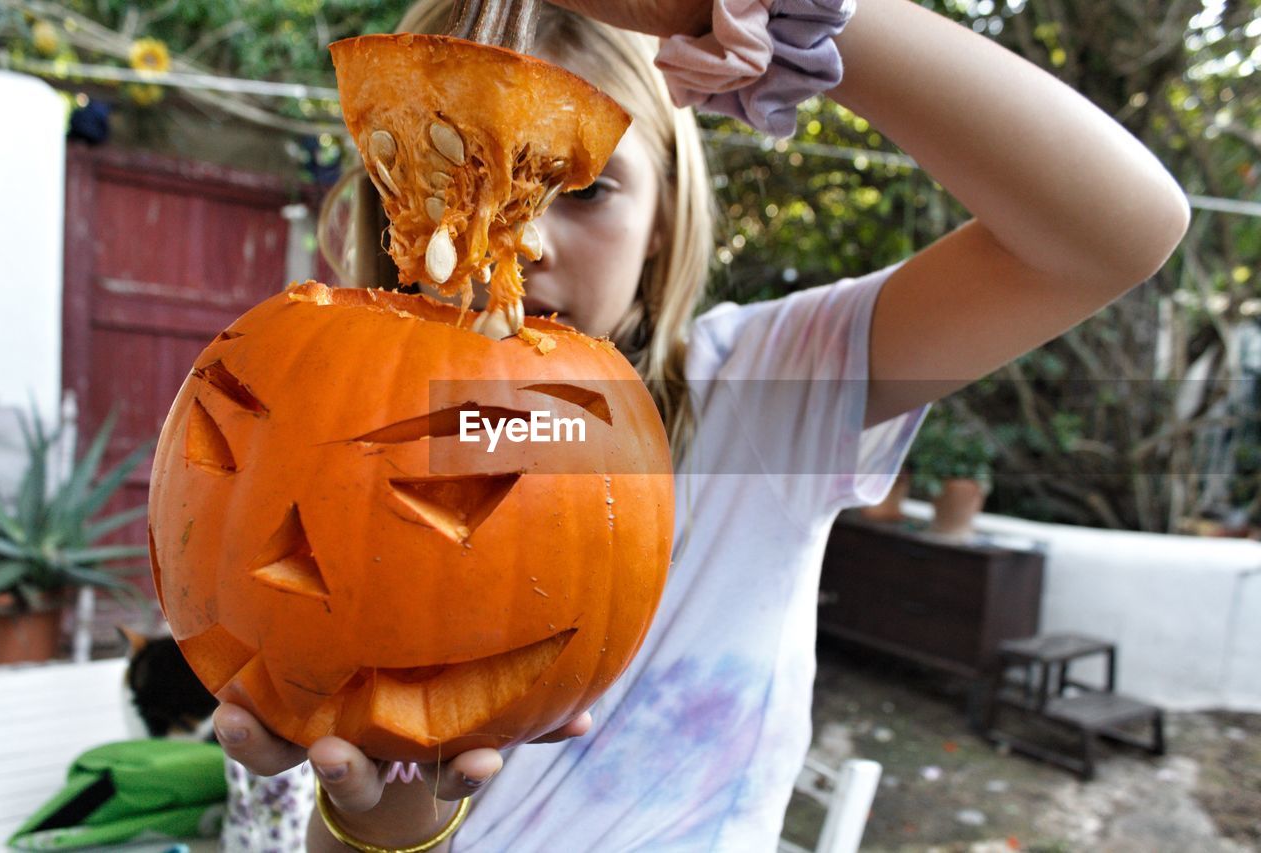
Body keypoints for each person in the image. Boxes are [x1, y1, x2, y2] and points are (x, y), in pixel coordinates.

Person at [212, 0, 1190, 850]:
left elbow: (1111, 233)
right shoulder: (306, 429)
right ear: (393, 206)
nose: (528, 237)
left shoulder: (766, 391)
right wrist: (387, 829)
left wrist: (766, 6)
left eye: (585, 186)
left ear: (666, 218)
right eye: (452, 175)